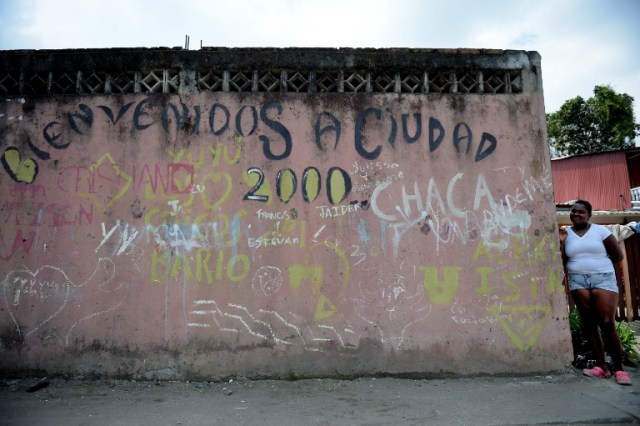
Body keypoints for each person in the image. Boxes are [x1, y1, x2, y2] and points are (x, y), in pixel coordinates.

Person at [559, 200, 631, 386]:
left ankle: (619, 369)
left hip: (602, 278)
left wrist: (598, 267)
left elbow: (617, 255)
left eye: (581, 212)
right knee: (589, 323)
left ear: (589, 215)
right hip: (577, 280)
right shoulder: (566, 234)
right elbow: (563, 258)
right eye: (573, 211)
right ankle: (601, 367)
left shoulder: (601, 231)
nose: (576, 214)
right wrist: (561, 243)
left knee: (607, 322)